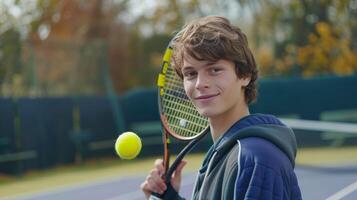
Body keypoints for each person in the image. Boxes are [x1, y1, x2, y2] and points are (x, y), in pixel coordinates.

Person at [141, 15, 302, 200]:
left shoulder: (254, 159)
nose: (200, 83)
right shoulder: (227, 152)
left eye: (214, 70)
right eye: (191, 73)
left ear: (244, 75)